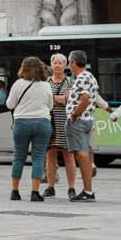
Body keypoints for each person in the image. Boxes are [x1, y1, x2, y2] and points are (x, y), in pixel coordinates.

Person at [6, 56, 54, 202]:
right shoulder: (46, 85)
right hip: (42, 123)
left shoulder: (18, 84)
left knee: (18, 156)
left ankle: (15, 191)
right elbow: (50, 106)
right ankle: (35, 192)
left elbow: (10, 104)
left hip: (22, 123)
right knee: (38, 157)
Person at [65, 49, 99, 202]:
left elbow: (84, 99)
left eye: (68, 61)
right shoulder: (89, 76)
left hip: (79, 121)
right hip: (86, 120)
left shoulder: (82, 77)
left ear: (73, 62)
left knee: (81, 155)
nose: (68, 65)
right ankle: (87, 190)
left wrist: (73, 115)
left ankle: (88, 191)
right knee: (83, 154)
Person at [44, 53, 73, 200]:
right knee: (50, 156)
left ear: (65, 65)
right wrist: (61, 99)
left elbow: (71, 100)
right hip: (50, 122)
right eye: (55, 63)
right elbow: (44, 100)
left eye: (60, 63)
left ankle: (71, 187)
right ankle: (50, 187)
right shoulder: (45, 82)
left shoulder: (71, 82)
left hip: (67, 123)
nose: (57, 65)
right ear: (51, 64)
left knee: (69, 155)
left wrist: (53, 98)